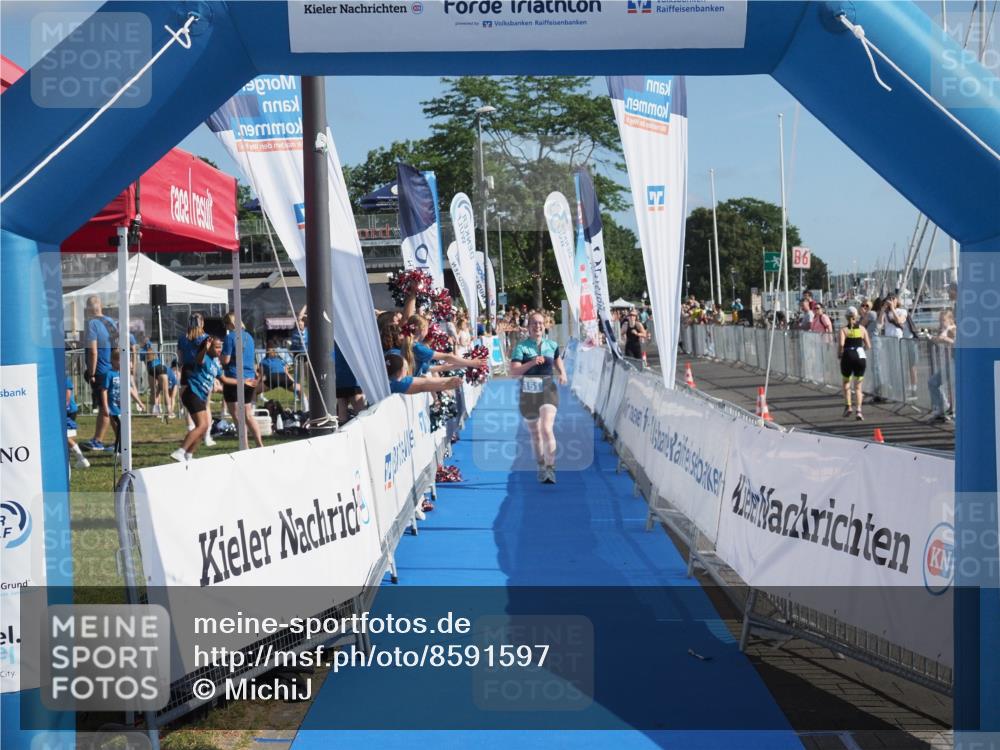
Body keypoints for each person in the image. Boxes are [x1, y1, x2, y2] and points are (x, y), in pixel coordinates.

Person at [509, 311, 568, 485]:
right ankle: (541, 465)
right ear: (528, 327)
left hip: (548, 390)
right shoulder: (521, 347)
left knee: (546, 428)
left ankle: (551, 468)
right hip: (528, 393)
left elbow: (557, 360)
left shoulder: (552, 344)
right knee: (535, 433)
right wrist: (533, 362)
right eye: (534, 323)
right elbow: (514, 372)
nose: (538, 326)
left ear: (545, 325)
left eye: (540, 323)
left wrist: (562, 373)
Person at [172, 336, 235, 462]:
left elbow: (225, 380)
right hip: (192, 393)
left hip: (200, 397)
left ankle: (189, 455)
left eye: (220, 348)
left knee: (205, 427)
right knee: (202, 425)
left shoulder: (215, 364)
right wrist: (204, 349)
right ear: (209, 348)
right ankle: (180, 451)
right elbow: (199, 359)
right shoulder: (204, 358)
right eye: (216, 347)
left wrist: (243, 382)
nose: (219, 350)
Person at [221, 312, 264, 449]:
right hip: (249, 378)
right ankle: (259, 443)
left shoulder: (230, 338)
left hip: (235, 378)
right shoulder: (249, 337)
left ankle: (244, 446)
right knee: (248, 414)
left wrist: (219, 357)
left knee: (236, 415)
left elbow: (226, 360)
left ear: (231, 323)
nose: (226, 327)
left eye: (226, 324)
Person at [83, 295, 118, 451]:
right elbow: (117, 348)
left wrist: (91, 373)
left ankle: (119, 442)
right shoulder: (111, 323)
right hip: (112, 369)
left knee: (106, 408)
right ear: (101, 306)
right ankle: (98, 439)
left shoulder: (92, 324)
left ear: (88, 309)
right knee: (111, 407)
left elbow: (93, 352)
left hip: (101, 370)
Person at [177, 313, 215, 447]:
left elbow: (180, 359)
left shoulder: (182, 338)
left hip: (186, 373)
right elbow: (209, 358)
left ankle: (191, 431)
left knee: (190, 406)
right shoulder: (205, 338)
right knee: (206, 405)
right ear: (202, 323)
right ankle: (206, 436)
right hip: (200, 372)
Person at [838, 306, 871, 421]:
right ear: (856, 316)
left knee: (846, 382)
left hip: (848, 356)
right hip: (860, 357)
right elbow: (868, 346)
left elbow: (841, 345)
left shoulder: (844, 330)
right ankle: (859, 411)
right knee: (858, 387)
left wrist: (839, 354)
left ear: (846, 317)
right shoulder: (862, 329)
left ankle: (848, 406)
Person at [923, 308, 955, 423]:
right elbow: (939, 339)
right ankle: (943, 408)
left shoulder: (952, 329)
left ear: (950, 320)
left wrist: (943, 338)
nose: (941, 323)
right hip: (949, 362)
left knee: (951, 387)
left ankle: (948, 409)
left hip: (955, 362)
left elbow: (948, 340)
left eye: (944, 320)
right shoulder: (945, 329)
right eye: (940, 320)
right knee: (933, 382)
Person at [385, 353, 463, 395]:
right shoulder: (396, 384)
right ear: (398, 374)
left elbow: (423, 384)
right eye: (405, 368)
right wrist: (448, 383)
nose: (407, 370)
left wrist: (448, 381)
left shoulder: (388, 372)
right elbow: (422, 385)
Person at [335, 343, 364, 424]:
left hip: (340, 379)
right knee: (361, 415)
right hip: (352, 380)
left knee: (342, 416)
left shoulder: (335, 340)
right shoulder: (350, 340)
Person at [100, 348, 123, 453]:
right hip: (113, 406)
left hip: (122, 406)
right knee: (119, 428)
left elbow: (130, 389)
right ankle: (119, 450)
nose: (121, 362)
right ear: (113, 361)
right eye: (119, 360)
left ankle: (120, 447)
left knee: (121, 428)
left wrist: (139, 402)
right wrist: (105, 406)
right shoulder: (109, 374)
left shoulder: (123, 374)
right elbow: (104, 390)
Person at [66, 377, 90, 469]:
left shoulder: (63, 377)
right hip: (67, 410)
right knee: (66, 438)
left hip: (68, 411)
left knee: (65, 437)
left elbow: (67, 394)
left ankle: (82, 459)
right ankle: (69, 461)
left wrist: (64, 407)